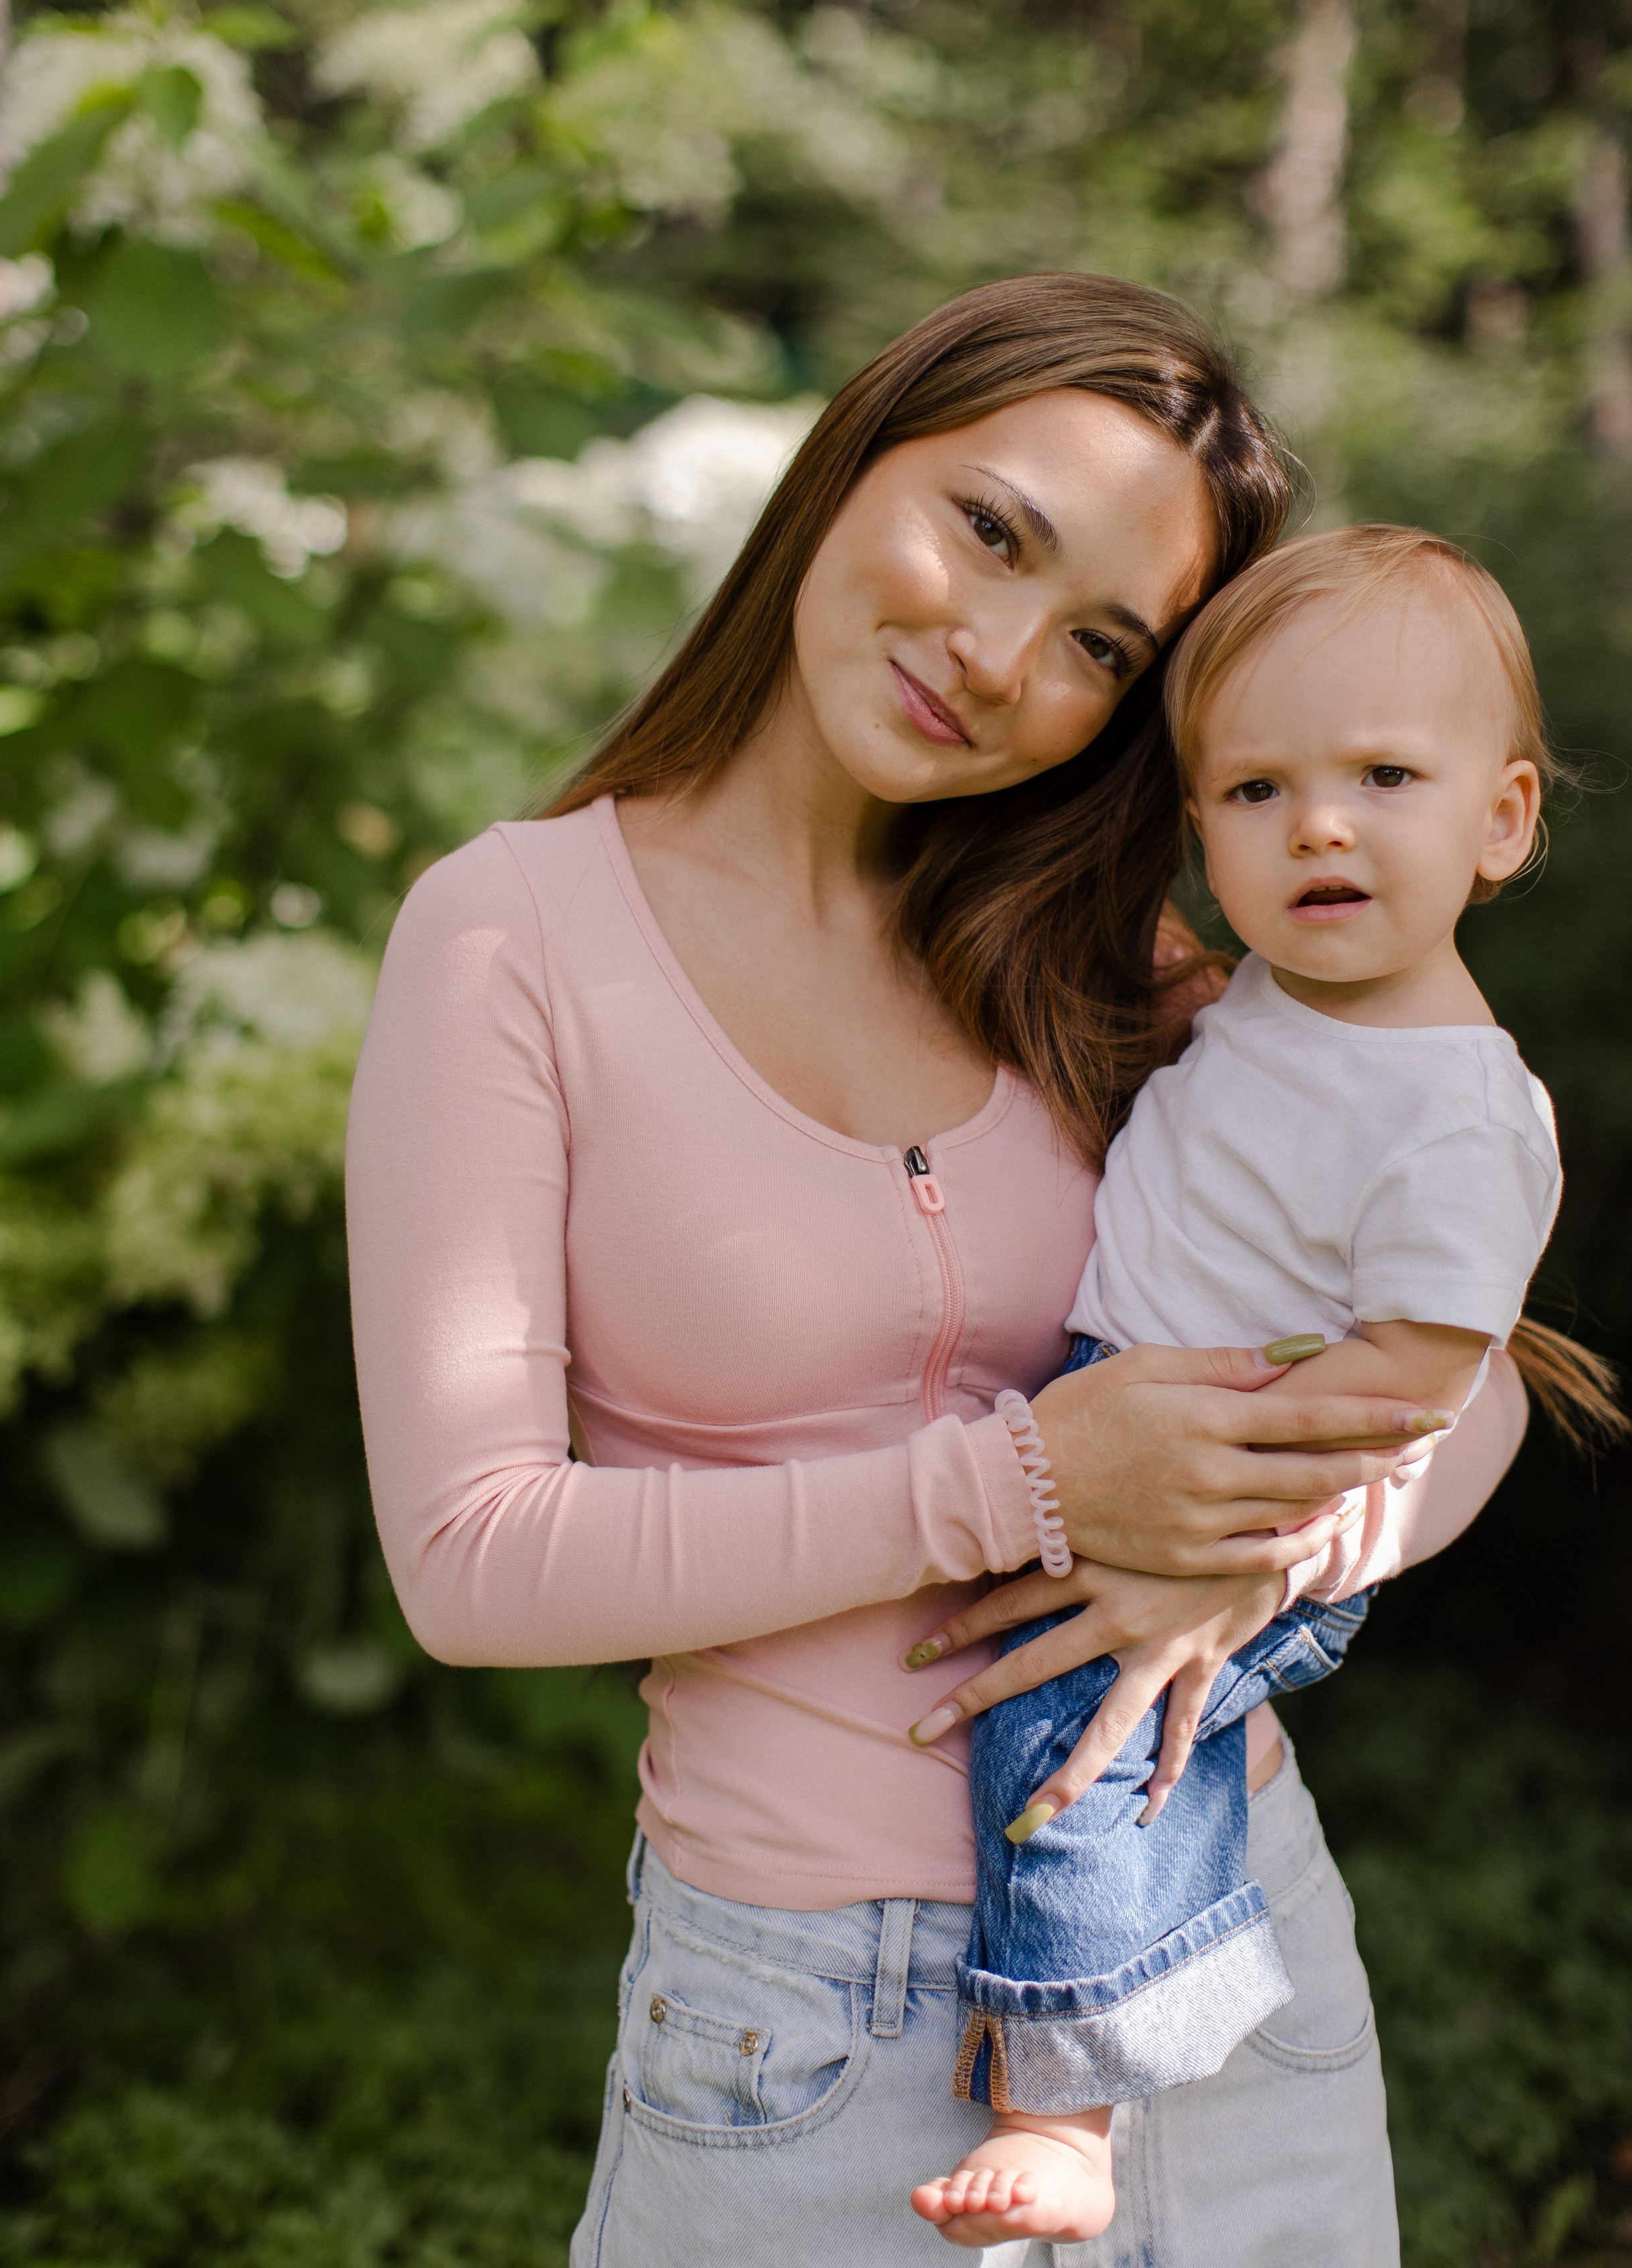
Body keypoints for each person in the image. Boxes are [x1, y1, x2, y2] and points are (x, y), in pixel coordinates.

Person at [345, 276, 1530, 2268]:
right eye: (987, 528)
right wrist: (1030, 1485)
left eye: (1095, 644)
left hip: (1223, 1961)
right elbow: (473, 1561)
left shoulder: (1126, 972)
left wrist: (1271, 1548)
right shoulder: (514, 936)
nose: (992, 657)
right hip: (805, 2029)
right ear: (858, 445)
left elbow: (1482, 1375)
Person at [909, 525, 1621, 2249]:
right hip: (1162, 1418)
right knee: (1097, 1721)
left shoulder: (1456, 1103)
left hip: (1259, 1477)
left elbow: (1429, 1365)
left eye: (1387, 775)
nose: (1318, 823)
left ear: (1503, 820)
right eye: (1253, 791)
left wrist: (1234, 1530)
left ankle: (1069, 2109)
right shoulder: (1272, 1008)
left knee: (1079, 1732)